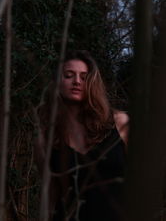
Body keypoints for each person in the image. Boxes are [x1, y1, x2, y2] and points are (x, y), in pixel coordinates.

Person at [35, 50, 129, 221]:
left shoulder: (120, 123)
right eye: (69, 75)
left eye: (84, 77)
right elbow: (51, 194)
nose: (77, 81)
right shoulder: (47, 137)